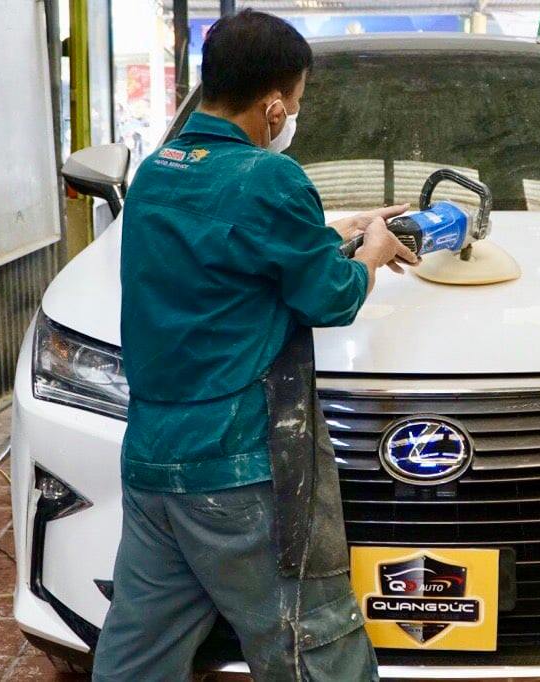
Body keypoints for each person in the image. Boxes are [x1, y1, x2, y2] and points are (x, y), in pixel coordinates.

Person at [92, 10, 415, 681]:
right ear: (272, 106)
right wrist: (373, 255)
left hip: (155, 461)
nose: (292, 116)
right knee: (311, 643)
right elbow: (329, 298)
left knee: (141, 650)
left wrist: (338, 232)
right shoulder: (271, 179)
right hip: (240, 469)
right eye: (294, 102)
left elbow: (227, 251)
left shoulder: (159, 170)